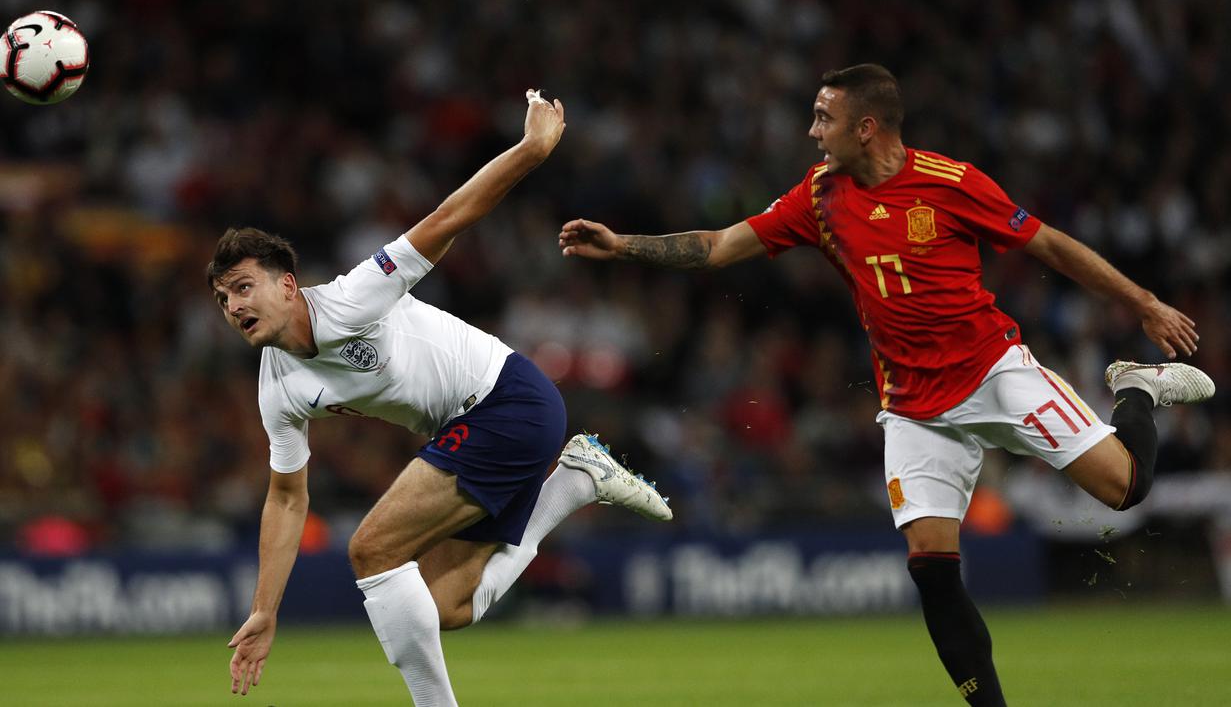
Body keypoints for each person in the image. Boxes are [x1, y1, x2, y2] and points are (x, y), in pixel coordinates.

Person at [558, 64, 1215, 706]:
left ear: (866, 127)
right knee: (930, 568)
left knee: (1125, 489)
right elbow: (721, 245)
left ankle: (1135, 388)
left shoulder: (950, 183)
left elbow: (1050, 246)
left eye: (824, 118)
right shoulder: (817, 196)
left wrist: (1143, 302)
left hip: (993, 372)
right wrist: (622, 246)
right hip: (912, 410)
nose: (812, 132)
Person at [211, 91, 672, 705]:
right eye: (222, 299)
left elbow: (449, 218)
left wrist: (532, 150)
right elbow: (287, 498)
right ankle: (574, 482)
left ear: (288, 284)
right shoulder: (277, 385)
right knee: (442, 607)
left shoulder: (352, 298)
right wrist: (265, 611)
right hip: (472, 429)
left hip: (509, 400)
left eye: (243, 287)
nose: (234, 306)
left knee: (372, 548)